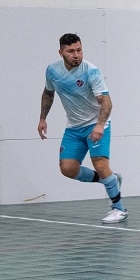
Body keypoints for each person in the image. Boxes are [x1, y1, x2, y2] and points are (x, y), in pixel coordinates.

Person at [38, 33, 128, 224]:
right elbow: (48, 93)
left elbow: (106, 101)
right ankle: (110, 179)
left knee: (100, 163)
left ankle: (119, 209)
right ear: (61, 52)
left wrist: (100, 125)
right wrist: (42, 118)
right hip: (74, 127)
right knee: (68, 168)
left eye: (79, 50)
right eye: (71, 51)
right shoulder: (52, 71)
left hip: (96, 124)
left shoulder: (91, 71)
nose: (76, 55)